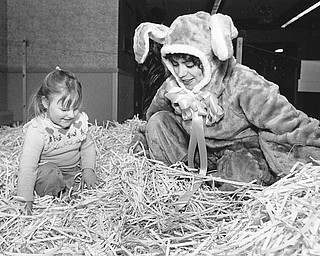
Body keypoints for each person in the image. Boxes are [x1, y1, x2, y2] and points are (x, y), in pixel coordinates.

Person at [131, 11, 320, 193]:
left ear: (210, 58)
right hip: (194, 152)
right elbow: (153, 121)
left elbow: (285, 120)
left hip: (239, 151)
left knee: (242, 173)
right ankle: (183, 183)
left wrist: (313, 139)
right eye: (175, 64)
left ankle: (221, 192)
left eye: (189, 65)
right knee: (159, 121)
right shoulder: (172, 86)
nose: (181, 73)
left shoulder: (243, 82)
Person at [16, 67, 98, 214]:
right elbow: (28, 168)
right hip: (48, 175)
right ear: (46, 103)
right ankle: (54, 200)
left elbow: (87, 147)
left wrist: (88, 169)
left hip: (73, 172)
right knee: (50, 175)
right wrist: (25, 201)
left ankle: (68, 194)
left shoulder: (79, 122)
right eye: (65, 109)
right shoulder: (38, 129)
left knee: (86, 187)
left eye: (76, 107)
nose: (71, 114)